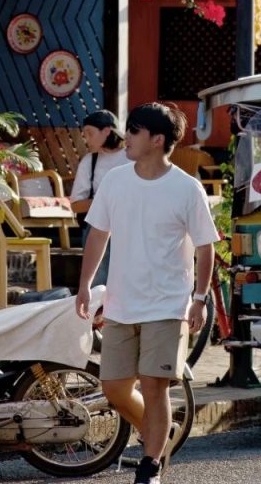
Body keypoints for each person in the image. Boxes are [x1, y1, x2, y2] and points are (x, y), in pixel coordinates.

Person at [75, 103, 218, 484]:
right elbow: (98, 235)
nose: (127, 138)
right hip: (121, 303)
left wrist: (200, 298)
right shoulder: (115, 181)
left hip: (168, 305)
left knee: (154, 387)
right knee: (114, 388)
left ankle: (150, 465)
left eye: (134, 131)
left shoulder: (186, 188)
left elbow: (206, 247)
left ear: (157, 140)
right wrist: (84, 285)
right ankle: (160, 434)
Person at [70, 110, 129, 285]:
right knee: (99, 281)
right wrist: (105, 201)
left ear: (107, 131)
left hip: (129, 222)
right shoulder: (90, 161)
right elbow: (76, 205)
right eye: (85, 134)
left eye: (90, 133)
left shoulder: (131, 158)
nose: (87, 139)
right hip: (98, 222)